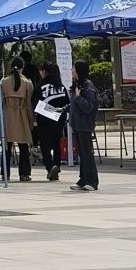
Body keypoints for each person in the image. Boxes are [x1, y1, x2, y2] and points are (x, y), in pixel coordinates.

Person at [35, 62, 69, 182]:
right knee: (56, 144)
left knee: (45, 145)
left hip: (44, 120)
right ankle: (57, 166)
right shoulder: (61, 87)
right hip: (59, 119)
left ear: (45, 71)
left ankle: (50, 167)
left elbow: (35, 102)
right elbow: (67, 103)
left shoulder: (41, 85)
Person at [1, 59, 34, 181]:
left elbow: (1, 102)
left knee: (6, 146)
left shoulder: (3, 81)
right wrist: (31, 120)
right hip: (22, 115)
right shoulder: (27, 83)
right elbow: (29, 103)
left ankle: (5, 173)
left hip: (8, 115)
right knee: (23, 146)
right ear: (22, 67)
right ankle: (24, 173)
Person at [69, 60, 99, 192]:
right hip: (77, 124)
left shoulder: (88, 87)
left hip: (85, 125)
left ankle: (92, 181)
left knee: (87, 153)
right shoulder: (77, 85)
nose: (71, 71)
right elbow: (74, 105)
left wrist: (78, 97)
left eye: (73, 69)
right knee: (81, 153)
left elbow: (88, 107)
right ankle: (83, 179)